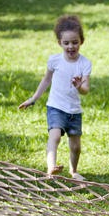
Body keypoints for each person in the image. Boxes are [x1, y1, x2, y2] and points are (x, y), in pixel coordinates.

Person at [18, 15, 92, 181]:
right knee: (55, 136)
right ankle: (51, 166)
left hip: (74, 111)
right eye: (66, 43)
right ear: (60, 43)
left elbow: (85, 90)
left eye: (75, 42)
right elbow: (46, 80)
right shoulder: (55, 60)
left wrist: (79, 86)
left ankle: (74, 171)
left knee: (75, 146)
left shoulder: (85, 63)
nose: (71, 46)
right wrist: (33, 99)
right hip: (56, 107)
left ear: (82, 41)